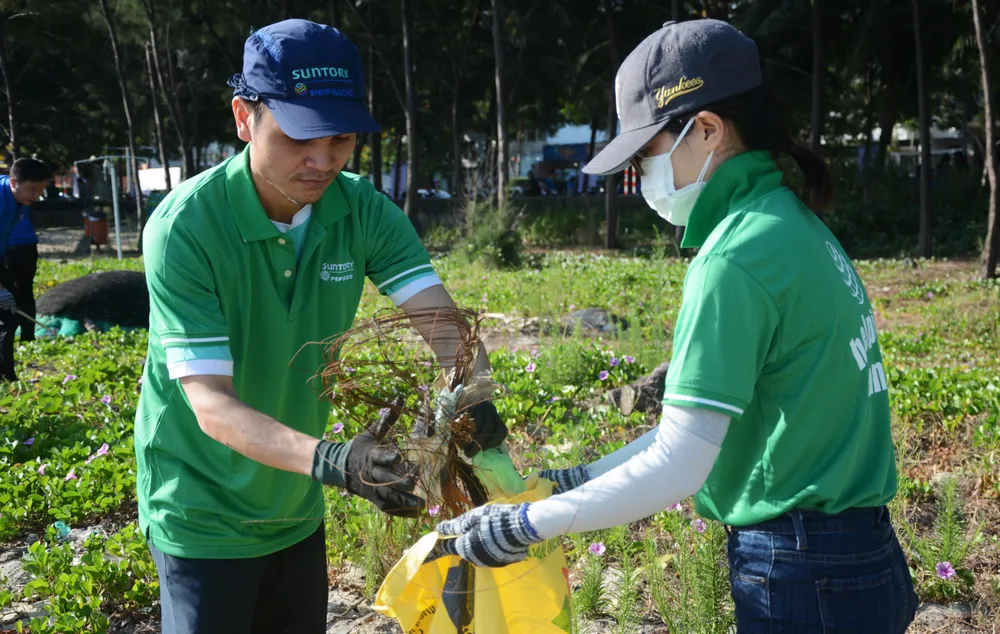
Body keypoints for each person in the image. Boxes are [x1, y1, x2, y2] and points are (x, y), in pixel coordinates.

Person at [434, 19, 917, 634]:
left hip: (802, 572)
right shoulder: (791, 225)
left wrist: (527, 524)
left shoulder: (735, 258)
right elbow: (696, 432)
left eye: (647, 153)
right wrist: (576, 480)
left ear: (707, 129)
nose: (641, 174)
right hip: (860, 557)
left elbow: (681, 463)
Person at [136, 19, 506, 634]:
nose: (322, 160)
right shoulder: (187, 229)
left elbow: (447, 330)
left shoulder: (361, 211)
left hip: (295, 504)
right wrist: (336, 461)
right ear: (244, 118)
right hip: (199, 511)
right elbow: (211, 405)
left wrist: (471, 393)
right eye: (299, 136)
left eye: (341, 138)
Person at [0, 158, 50, 380]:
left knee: (7, 316)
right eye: (32, 189)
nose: (36, 195)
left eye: (40, 190)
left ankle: (6, 376)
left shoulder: (18, 199)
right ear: (14, 182)